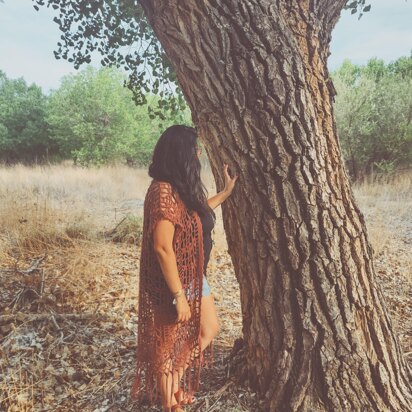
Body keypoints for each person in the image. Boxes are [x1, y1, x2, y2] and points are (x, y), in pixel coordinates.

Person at [130, 125, 238, 411]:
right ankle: (170, 404)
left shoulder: (179, 188)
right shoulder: (163, 192)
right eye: (195, 148)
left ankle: (172, 383)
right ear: (181, 153)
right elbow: (162, 247)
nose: (199, 152)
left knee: (208, 329)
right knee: (166, 344)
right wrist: (178, 295)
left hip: (194, 274)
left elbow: (197, 215)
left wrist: (225, 193)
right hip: (173, 281)